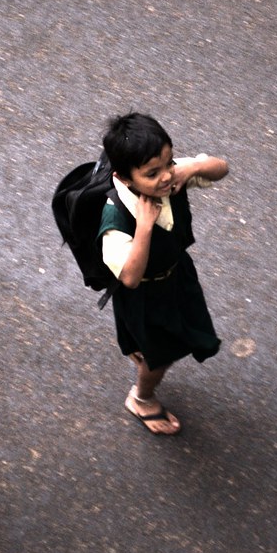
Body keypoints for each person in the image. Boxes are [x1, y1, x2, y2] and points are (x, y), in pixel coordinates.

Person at [98, 113, 229, 435]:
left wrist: (193, 167)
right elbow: (128, 278)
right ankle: (141, 397)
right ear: (125, 179)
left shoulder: (169, 174)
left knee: (172, 338)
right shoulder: (116, 216)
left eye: (169, 162)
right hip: (144, 295)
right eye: (153, 173)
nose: (167, 176)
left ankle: (144, 353)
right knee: (158, 358)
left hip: (177, 278)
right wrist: (144, 226)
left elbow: (221, 168)